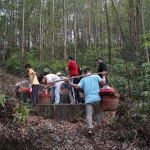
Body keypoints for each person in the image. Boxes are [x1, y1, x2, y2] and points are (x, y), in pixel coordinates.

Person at [65, 68, 106, 135]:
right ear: (91, 72)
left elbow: (77, 86)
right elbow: (103, 82)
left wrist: (68, 83)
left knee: (89, 114)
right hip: (97, 98)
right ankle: (100, 125)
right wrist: (103, 75)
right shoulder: (96, 76)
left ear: (84, 74)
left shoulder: (83, 79)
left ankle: (90, 128)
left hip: (88, 100)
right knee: (98, 112)